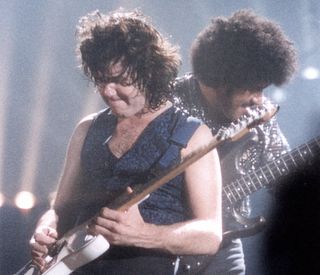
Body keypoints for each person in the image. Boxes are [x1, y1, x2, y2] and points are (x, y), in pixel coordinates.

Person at [28, 9, 222, 275]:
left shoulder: (192, 134)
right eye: (101, 80)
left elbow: (211, 234)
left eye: (120, 81)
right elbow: (60, 209)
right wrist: (44, 230)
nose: (108, 91)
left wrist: (144, 234)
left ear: (150, 73)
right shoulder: (88, 128)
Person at [174, 9, 297, 274]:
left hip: (225, 239)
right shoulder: (170, 104)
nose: (258, 99)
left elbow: (286, 178)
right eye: (252, 87)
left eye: (263, 89)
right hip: (167, 232)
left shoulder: (260, 114)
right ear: (221, 80)